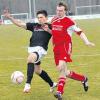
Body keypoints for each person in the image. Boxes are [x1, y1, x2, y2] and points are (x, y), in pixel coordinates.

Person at [3, 9, 57, 93]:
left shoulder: (50, 26)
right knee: (38, 71)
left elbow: (59, 35)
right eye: (38, 17)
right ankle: (52, 84)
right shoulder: (34, 25)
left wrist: (49, 30)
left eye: (41, 17)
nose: (39, 19)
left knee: (30, 59)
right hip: (32, 49)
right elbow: (20, 24)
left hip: (41, 49)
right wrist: (10, 18)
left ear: (46, 18)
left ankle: (27, 84)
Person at [50, 2, 95, 100]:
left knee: (60, 68)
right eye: (57, 10)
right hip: (56, 48)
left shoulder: (69, 21)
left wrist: (87, 42)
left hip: (65, 47)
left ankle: (59, 92)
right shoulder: (53, 20)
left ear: (65, 11)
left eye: (61, 10)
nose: (59, 12)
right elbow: (52, 32)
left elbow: (80, 32)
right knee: (64, 72)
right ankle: (83, 79)